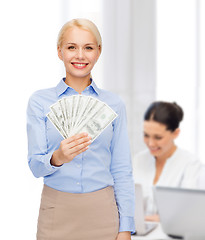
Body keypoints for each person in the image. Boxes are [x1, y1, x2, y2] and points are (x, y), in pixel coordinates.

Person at [26, 18, 134, 240]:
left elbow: (122, 170)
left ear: (98, 51)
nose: (80, 56)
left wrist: (126, 228)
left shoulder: (114, 105)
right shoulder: (39, 102)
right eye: (71, 47)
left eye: (88, 48)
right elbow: (36, 167)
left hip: (103, 213)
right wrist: (58, 157)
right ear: (60, 51)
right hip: (56, 211)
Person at [132, 101, 201, 222]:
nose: (151, 143)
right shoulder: (138, 160)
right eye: (146, 135)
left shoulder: (190, 163)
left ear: (175, 133)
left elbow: (188, 211)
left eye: (158, 137)